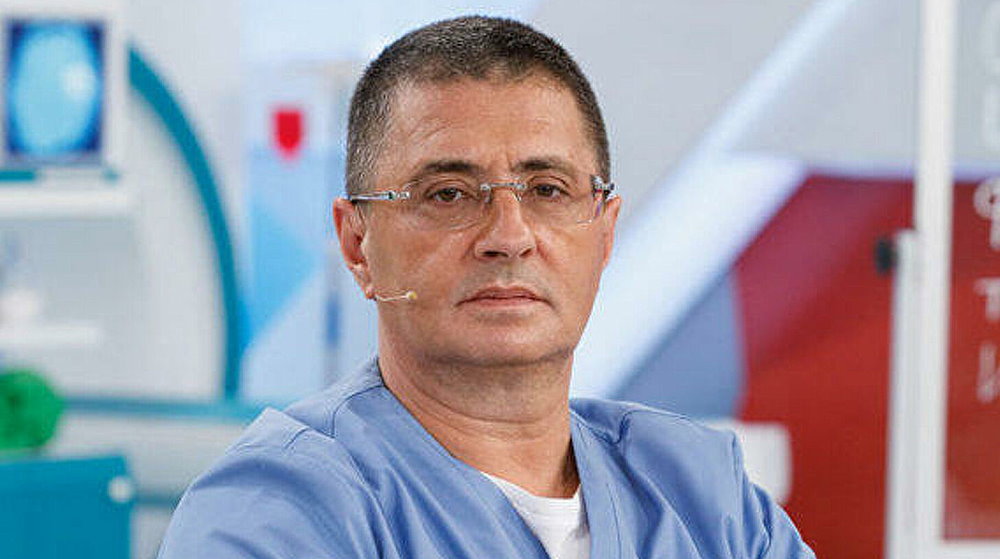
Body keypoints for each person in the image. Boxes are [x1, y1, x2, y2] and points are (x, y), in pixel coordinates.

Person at [158, 16, 815, 559]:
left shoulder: (705, 497)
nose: (509, 234)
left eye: (548, 190)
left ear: (604, 233)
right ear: (358, 244)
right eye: (448, 193)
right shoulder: (280, 513)